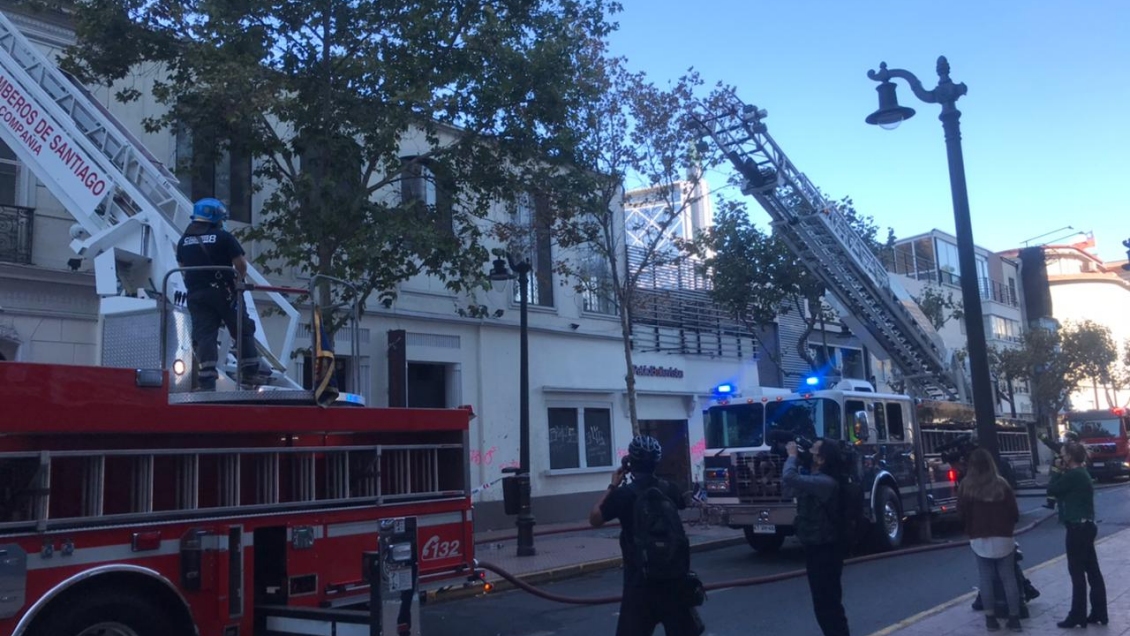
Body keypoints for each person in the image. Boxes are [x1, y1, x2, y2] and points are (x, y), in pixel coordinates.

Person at [589, 435, 704, 636]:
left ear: (630, 463)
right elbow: (683, 503)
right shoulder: (670, 489)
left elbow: (595, 518)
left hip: (639, 584)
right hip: (674, 580)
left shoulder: (624, 495)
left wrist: (613, 485)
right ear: (656, 462)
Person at [175, 197, 261, 391]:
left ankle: (207, 381)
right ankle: (249, 374)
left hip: (196, 295)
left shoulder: (183, 242)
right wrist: (238, 281)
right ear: (216, 218)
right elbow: (240, 264)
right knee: (242, 328)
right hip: (224, 292)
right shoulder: (224, 237)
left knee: (204, 335)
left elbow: (182, 266)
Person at [783, 439, 851, 636]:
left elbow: (789, 477)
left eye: (813, 449)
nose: (808, 452)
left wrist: (792, 457)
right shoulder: (814, 480)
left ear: (821, 459)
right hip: (815, 548)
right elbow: (788, 489)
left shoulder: (825, 483)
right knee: (822, 604)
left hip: (826, 550)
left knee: (829, 605)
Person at [958, 448, 1022, 632]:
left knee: (985, 579)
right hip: (1003, 536)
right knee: (1008, 578)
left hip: (979, 537)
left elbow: (961, 512)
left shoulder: (966, 486)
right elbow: (1014, 512)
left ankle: (990, 620)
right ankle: (1014, 619)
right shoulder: (1001, 484)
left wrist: (969, 528)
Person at [1046, 442, 1107, 628]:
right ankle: (1099, 612)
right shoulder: (1081, 473)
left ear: (1070, 457)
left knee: (1077, 572)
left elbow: (1052, 489)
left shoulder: (1073, 475)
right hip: (1086, 525)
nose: (1061, 457)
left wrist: (1056, 470)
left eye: (1063, 454)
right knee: (1092, 570)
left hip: (1077, 528)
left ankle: (1077, 615)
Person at [1038, 430, 1079, 510]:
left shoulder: (1064, 447)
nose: (1064, 438)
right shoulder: (1075, 447)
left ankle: (1052, 503)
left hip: (1059, 471)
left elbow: (1051, 444)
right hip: (1065, 470)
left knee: (1052, 486)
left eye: (1066, 437)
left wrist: (1042, 437)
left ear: (1070, 439)